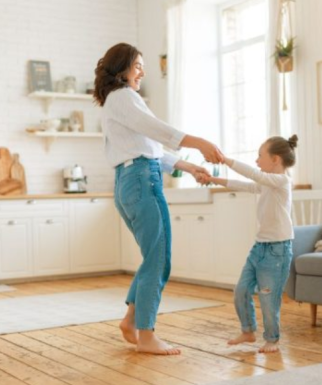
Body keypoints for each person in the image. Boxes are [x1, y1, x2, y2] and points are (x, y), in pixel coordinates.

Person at [93, 42, 224, 355]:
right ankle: (147, 335)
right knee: (159, 258)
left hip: (131, 180)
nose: (142, 72)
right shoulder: (124, 96)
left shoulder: (116, 101)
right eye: (138, 65)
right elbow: (157, 130)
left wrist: (188, 165)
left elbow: (147, 146)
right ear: (122, 68)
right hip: (141, 181)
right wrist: (199, 141)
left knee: (154, 257)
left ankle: (131, 320)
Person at [198, 135, 298, 353]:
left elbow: (253, 175)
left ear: (276, 159)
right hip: (260, 247)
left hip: (277, 250)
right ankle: (248, 331)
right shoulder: (266, 184)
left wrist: (225, 160)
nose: (256, 161)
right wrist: (214, 180)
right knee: (241, 290)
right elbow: (245, 185)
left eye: (260, 156)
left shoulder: (282, 182)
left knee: (268, 298)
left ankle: (272, 339)